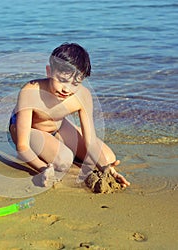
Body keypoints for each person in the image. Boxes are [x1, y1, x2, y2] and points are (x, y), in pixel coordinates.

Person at [9, 42, 130, 188]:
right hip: (28, 130)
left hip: (57, 127)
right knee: (64, 160)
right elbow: (23, 147)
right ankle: (63, 160)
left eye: (75, 83)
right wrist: (42, 169)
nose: (66, 89)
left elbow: (90, 140)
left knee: (108, 158)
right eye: (62, 81)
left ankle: (61, 148)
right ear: (49, 71)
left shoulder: (83, 95)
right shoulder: (31, 91)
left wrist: (106, 169)